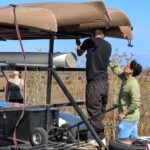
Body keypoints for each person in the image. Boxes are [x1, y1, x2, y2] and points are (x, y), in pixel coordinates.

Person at [76, 29, 112, 146]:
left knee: (93, 111)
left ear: (93, 34)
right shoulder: (108, 45)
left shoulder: (89, 41)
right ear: (103, 35)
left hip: (94, 83)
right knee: (100, 111)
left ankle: (99, 140)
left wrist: (78, 45)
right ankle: (96, 137)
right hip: (105, 83)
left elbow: (79, 53)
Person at [109, 60, 142, 139]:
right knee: (135, 141)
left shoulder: (133, 85)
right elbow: (117, 70)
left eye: (128, 66)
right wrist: (108, 60)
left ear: (131, 71)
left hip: (129, 119)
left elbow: (136, 103)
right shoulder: (125, 77)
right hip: (133, 118)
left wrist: (123, 113)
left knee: (120, 142)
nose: (126, 64)